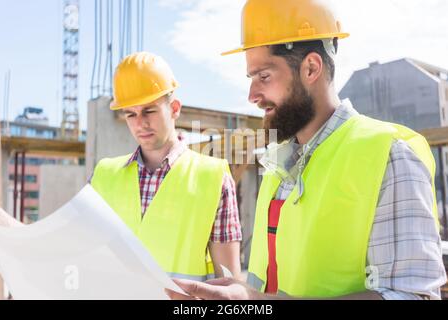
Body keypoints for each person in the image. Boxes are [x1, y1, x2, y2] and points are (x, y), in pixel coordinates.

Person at [167, 0, 447, 299]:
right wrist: (245, 295)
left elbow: (410, 295)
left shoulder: (389, 155)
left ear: (310, 68)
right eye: (251, 79)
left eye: (264, 76)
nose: (252, 95)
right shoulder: (279, 167)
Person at [0, 52, 242, 282]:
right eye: (131, 115)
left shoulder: (213, 177)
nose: (141, 124)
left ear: (174, 108)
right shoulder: (105, 175)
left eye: (149, 110)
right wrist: (6, 224)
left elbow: (229, 287)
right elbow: (65, 244)